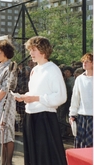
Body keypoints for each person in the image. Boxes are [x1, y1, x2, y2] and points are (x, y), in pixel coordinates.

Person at [15, 36, 67, 165]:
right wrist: (24, 97)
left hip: (45, 118)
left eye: (34, 49)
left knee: (46, 157)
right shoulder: (35, 70)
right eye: (30, 50)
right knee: (33, 156)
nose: (30, 53)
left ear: (43, 50)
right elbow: (35, 92)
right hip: (30, 116)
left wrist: (36, 98)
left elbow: (61, 96)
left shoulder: (53, 69)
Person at [0, 40, 18, 165]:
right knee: (0, 134)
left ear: (6, 53)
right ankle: (3, 161)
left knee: (6, 132)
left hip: (6, 102)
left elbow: (5, 88)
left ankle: (8, 162)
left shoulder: (11, 66)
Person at [69, 53, 93, 148]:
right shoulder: (79, 79)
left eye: (87, 61)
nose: (84, 63)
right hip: (82, 116)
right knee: (81, 145)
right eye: (83, 61)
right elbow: (75, 97)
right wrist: (72, 114)